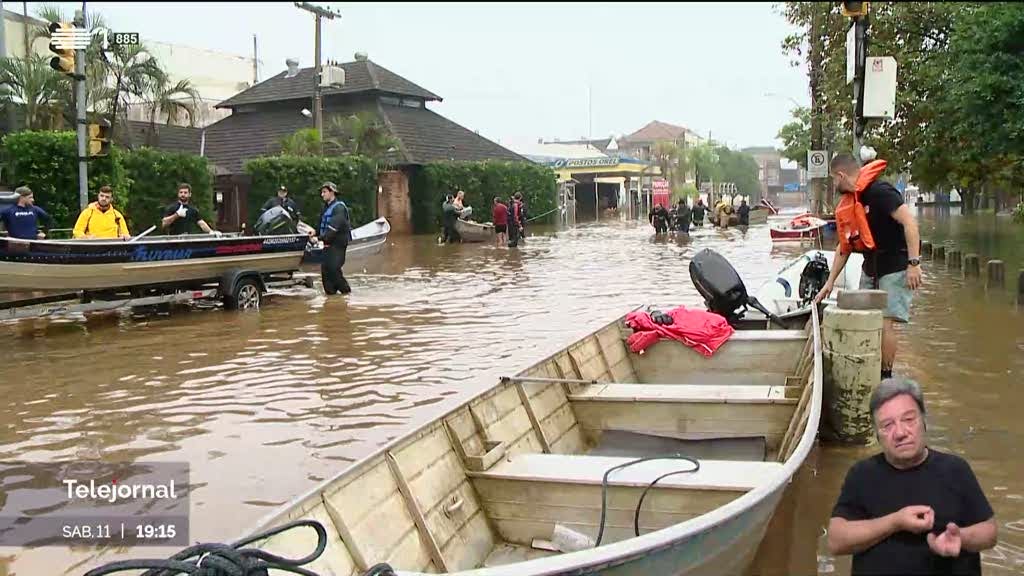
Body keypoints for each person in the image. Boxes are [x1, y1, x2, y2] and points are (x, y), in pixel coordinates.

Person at [828, 378, 997, 575]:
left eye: (909, 420)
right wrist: (894, 522)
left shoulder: (955, 470)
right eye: (887, 425)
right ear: (876, 435)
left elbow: (990, 532)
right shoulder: (862, 475)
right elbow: (836, 541)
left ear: (923, 422)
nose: (900, 432)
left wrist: (961, 537)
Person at [815, 153, 921, 379]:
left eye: (834, 179)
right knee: (865, 319)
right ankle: (867, 367)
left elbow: (910, 222)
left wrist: (914, 263)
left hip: (895, 265)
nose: (834, 184)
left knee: (885, 322)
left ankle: (885, 376)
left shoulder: (880, 191)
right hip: (870, 267)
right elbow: (844, 247)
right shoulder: (852, 201)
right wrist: (829, 283)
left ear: (841, 175)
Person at [314, 182, 352, 295]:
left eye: (324, 192)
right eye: (322, 192)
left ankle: (347, 294)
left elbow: (332, 230)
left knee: (333, 270)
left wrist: (319, 238)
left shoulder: (339, 208)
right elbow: (320, 224)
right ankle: (331, 299)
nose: (322, 194)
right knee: (325, 273)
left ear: (332, 193)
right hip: (327, 246)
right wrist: (315, 233)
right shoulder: (326, 208)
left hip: (337, 246)